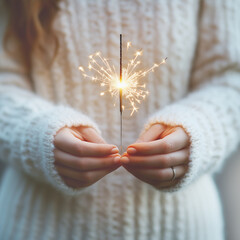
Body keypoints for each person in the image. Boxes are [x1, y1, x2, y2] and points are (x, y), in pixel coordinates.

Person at [0, 0, 239, 239]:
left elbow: (231, 80)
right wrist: (37, 135)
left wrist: (198, 132)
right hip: (38, 227)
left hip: (182, 228)